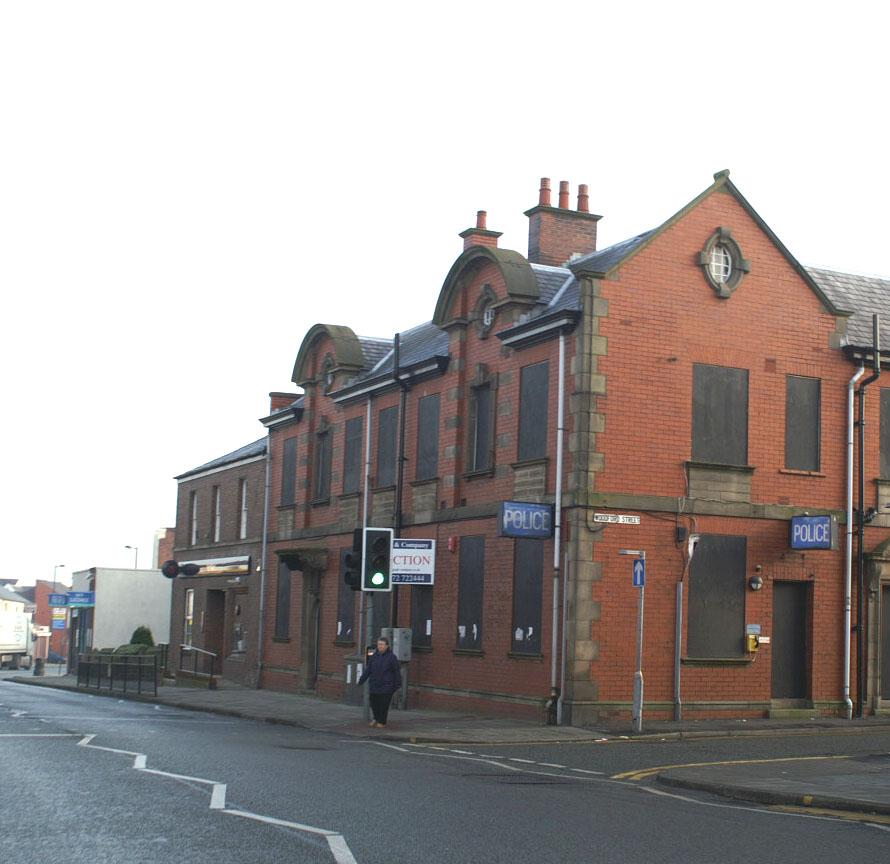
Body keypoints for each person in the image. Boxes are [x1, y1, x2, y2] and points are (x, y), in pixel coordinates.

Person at [358, 637, 402, 728]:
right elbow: (368, 669)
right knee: (374, 703)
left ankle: (382, 721)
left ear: (387, 646)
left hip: (386, 685)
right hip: (374, 684)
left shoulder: (392, 657)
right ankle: (376, 718)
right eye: (379, 645)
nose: (380, 646)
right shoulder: (374, 656)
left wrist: (397, 685)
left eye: (382, 644)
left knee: (384, 704)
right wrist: (361, 680)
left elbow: (396, 672)